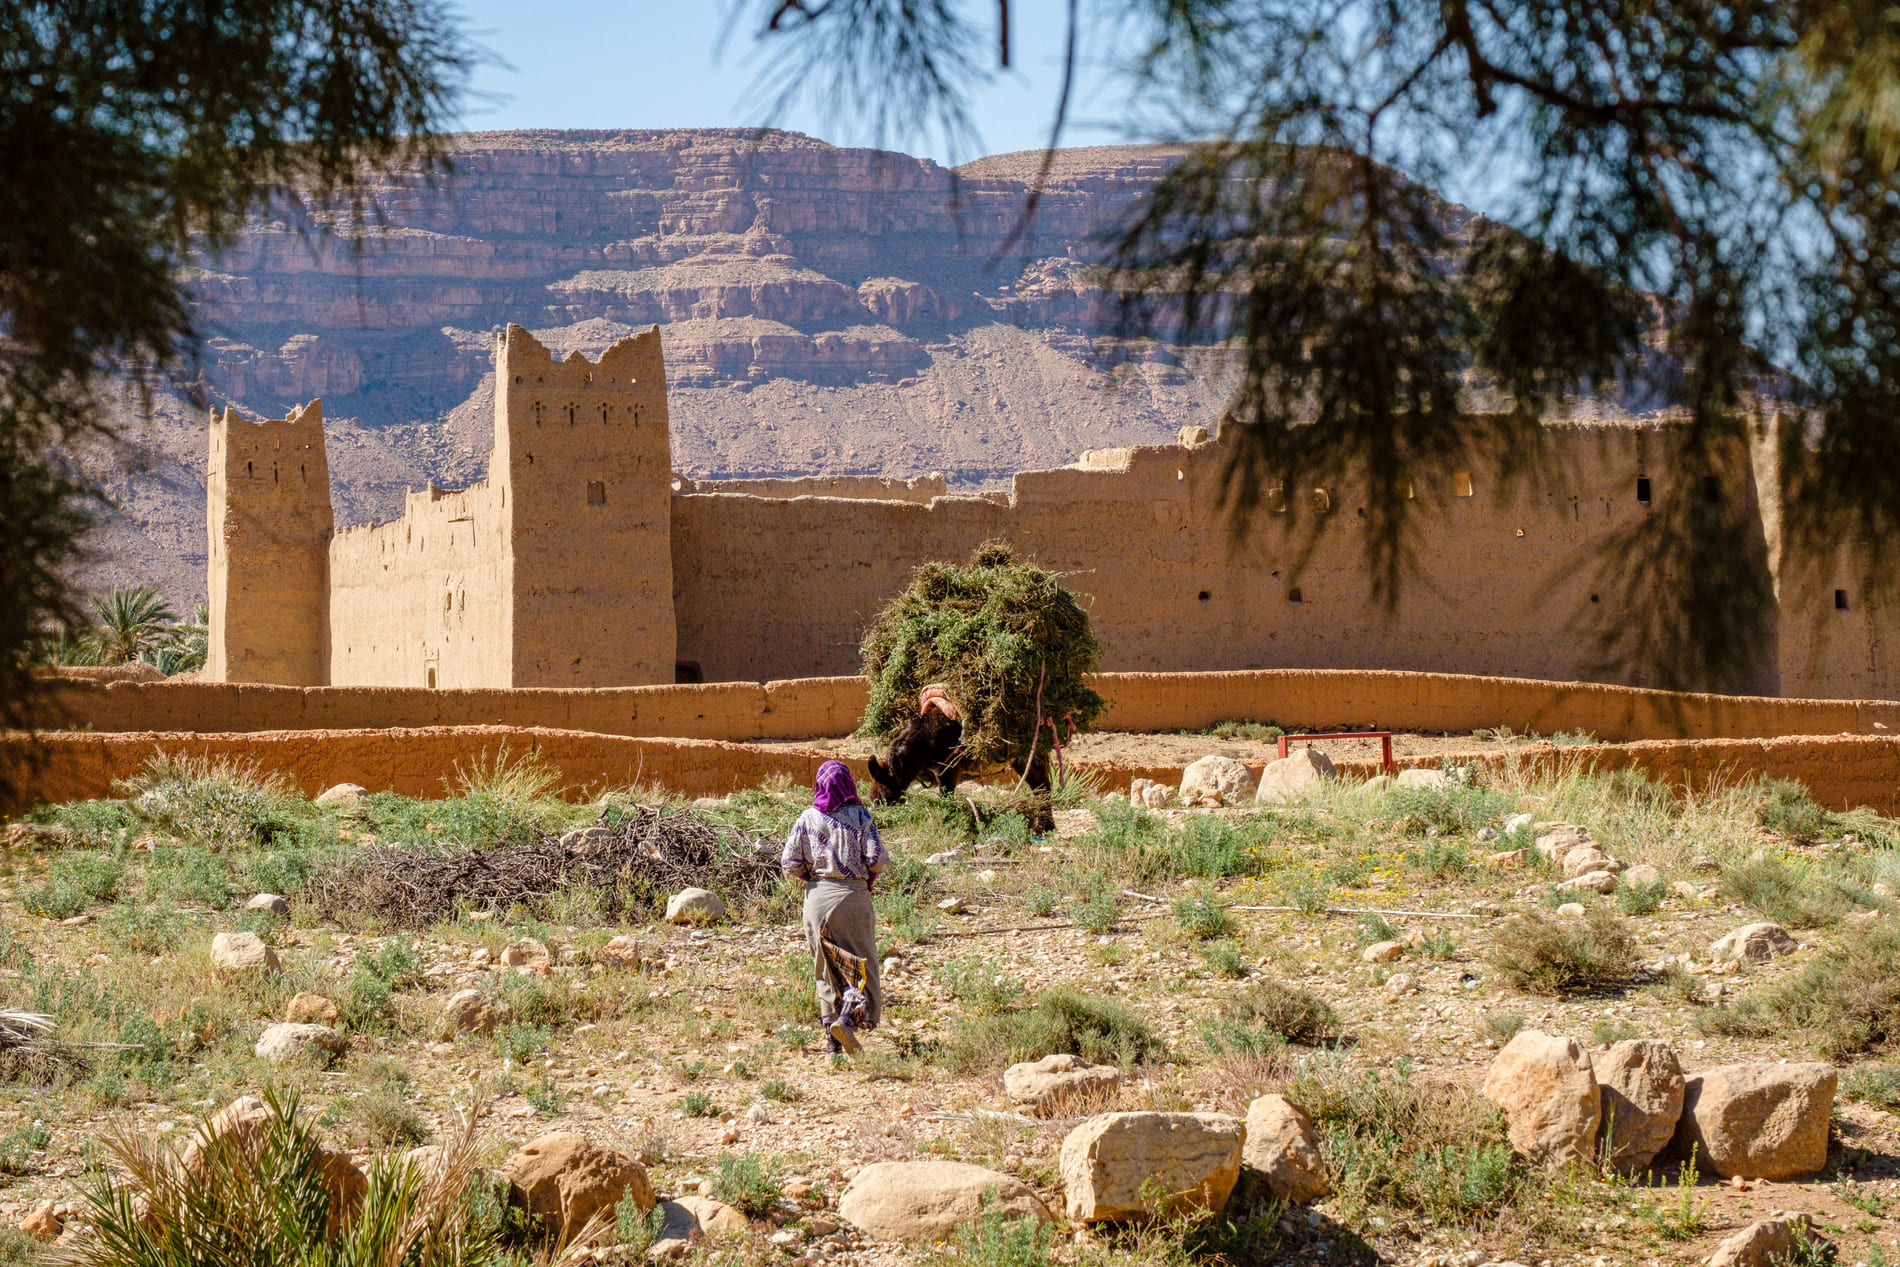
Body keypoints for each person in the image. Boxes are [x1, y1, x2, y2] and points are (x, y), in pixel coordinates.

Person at [781, 760, 885, 1055]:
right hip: (853, 897)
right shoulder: (861, 816)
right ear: (849, 784)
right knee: (861, 964)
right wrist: (870, 878)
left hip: (816, 900)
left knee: (824, 968)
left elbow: (789, 864)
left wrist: (812, 878)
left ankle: (831, 1042)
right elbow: (876, 859)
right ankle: (848, 1018)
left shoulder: (806, 818)